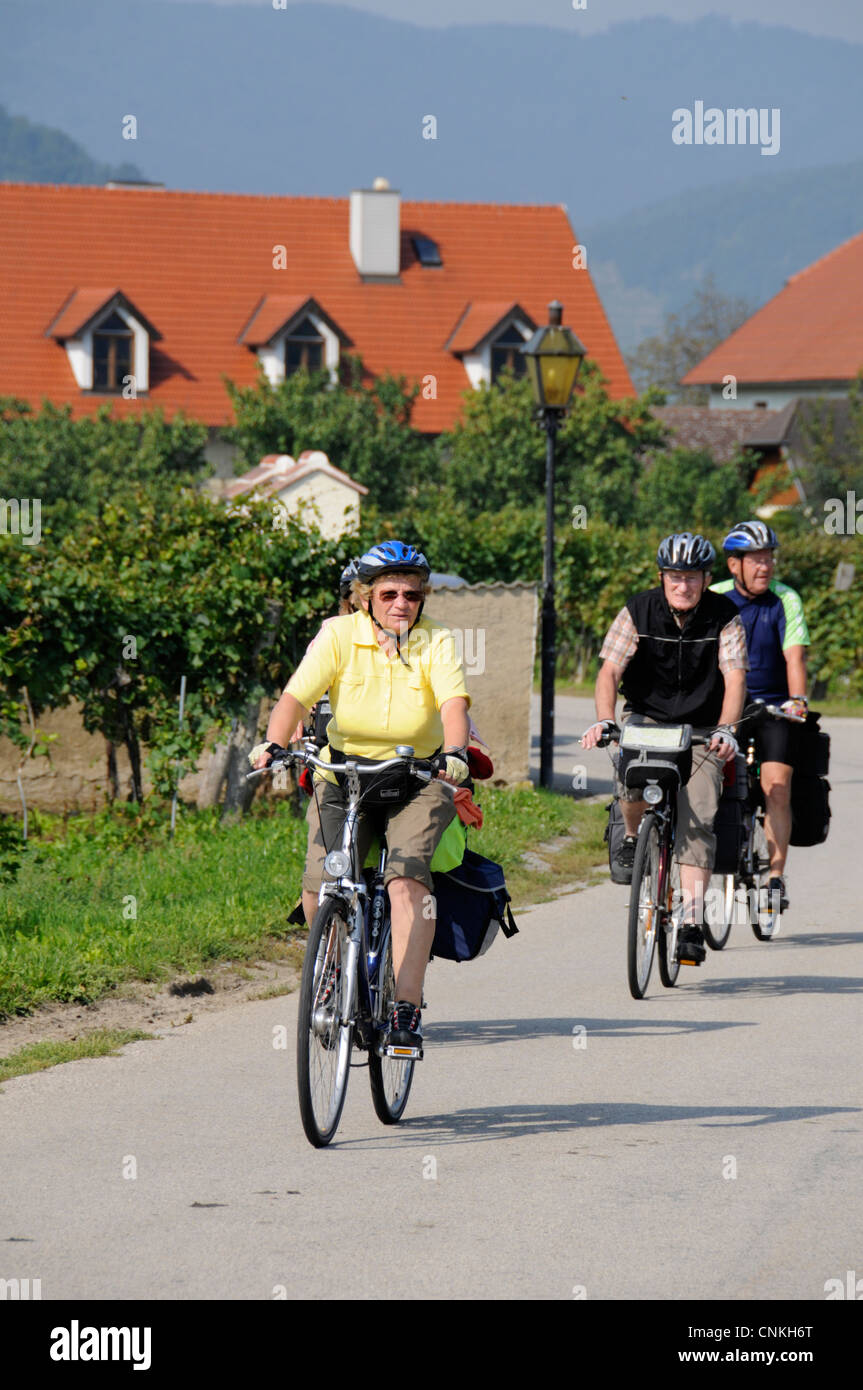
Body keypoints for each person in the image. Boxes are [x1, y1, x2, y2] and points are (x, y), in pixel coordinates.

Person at [251, 541, 472, 1053]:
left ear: (423, 599)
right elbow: (295, 697)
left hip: (416, 778)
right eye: (389, 593)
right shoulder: (338, 636)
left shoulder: (437, 641)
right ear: (365, 596)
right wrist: (273, 743)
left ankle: (405, 1009)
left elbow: (454, 702)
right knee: (320, 881)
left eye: (412, 595)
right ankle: (329, 975)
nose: (401, 603)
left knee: (405, 881)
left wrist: (455, 751)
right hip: (344, 773)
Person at [581, 532, 748, 965]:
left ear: (707, 578)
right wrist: (605, 720)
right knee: (631, 776)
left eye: (692, 577)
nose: (683, 585)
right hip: (649, 718)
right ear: (662, 577)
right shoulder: (638, 611)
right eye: (675, 576)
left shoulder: (724, 615)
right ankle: (634, 836)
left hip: (702, 726)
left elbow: (734, 679)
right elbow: (609, 672)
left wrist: (727, 730)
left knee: (700, 810)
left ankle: (691, 923)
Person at [711, 520, 811, 911]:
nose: (765, 566)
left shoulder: (786, 599)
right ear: (734, 564)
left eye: (769, 558)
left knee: (777, 786)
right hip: (724, 709)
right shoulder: (714, 595)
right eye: (755, 560)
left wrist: (797, 699)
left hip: (772, 706)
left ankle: (774, 878)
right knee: (704, 780)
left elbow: (795, 656)